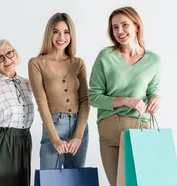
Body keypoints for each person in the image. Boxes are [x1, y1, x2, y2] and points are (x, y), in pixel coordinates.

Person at [88, 6, 162, 186]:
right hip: (110, 127)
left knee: (142, 183)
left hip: (140, 128)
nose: (119, 31)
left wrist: (156, 98)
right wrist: (126, 101)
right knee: (118, 184)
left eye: (124, 25)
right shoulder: (105, 56)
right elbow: (93, 97)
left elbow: (152, 91)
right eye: (115, 27)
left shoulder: (153, 60)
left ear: (136, 26)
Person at [28, 12, 90, 169]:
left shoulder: (78, 63)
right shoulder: (36, 63)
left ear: (71, 35)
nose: (61, 37)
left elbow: (85, 101)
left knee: (76, 180)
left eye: (66, 32)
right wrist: (54, 138)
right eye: (56, 31)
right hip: (53, 126)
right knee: (50, 180)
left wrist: (78, 136)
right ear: (49, 33)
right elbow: (41, 102)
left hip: (79, 126)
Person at [0, 39, 35, 186]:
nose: (7, 59)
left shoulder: (27, 83)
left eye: (9, 53)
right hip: (1, 142)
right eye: (0, 57)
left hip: (23, 141)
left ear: (15, 53)